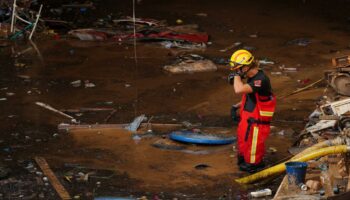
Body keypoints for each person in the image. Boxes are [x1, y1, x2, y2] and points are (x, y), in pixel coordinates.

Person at [228, 49, 276, 173]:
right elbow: (251, 96)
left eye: (238, 68)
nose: (236, 71)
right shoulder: (251, 77)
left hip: (257, 123)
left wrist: (236, 77)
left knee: (253, 152)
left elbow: (239, 90)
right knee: (243, 146)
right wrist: (236, 106)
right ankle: (244, 165)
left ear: (247, 67)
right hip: (248, 119)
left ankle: (256, 171)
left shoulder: (261, 80)